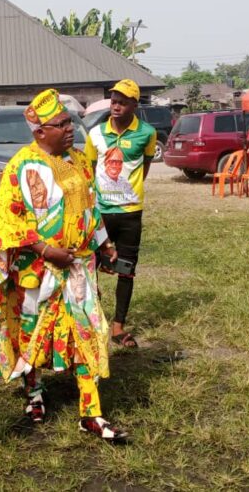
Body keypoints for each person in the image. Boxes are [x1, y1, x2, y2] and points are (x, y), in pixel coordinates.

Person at [0, 89, 127, 441]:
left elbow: (91, 207)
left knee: (88, 335)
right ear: (39, 132)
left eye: (69, 122)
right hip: (38, 274)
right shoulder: (20, 166)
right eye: (60, 124)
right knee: (31, 335)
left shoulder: (79, 161)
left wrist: (105, 243)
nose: (69, 129)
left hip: (79, 270)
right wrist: (46, 251)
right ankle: (34, 392)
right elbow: (6, 221)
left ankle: (91, 412)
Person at [84, 79, 157, 349]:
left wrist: (129, 193)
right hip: (101, 213)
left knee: (126, 269)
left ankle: (118, 326)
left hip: (129, 214)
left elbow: (145, 167)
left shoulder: (147, 133)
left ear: (134, 105)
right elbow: (90, 169)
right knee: (91, 268)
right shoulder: (95, 134)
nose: (116, 106)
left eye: (122, 102)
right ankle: (93, 320)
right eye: (114, 101)